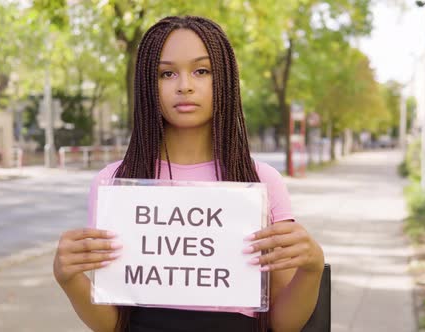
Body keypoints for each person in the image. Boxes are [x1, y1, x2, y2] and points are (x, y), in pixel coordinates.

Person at [53, 16, 324, 332]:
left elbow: (284, 323)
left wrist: (312, 266)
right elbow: (112, 325)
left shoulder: (261, 182)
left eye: (201, 71)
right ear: (147, 85)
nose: (184, 85)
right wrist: (69, 278)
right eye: (167, 73)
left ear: (223, 78)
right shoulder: (113, 183)